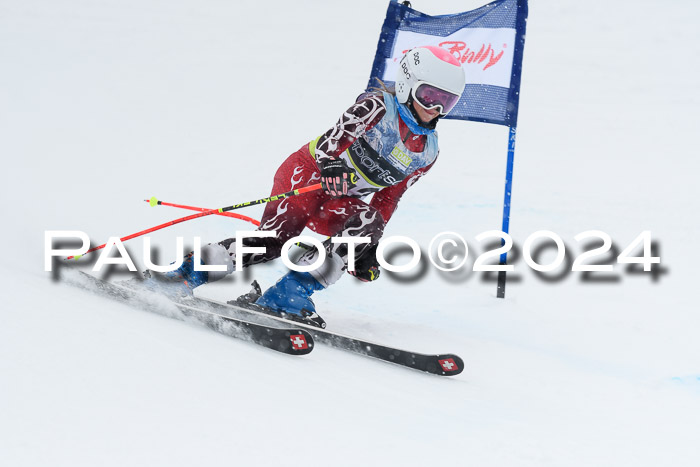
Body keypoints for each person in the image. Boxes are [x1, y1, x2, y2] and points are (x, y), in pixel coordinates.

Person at [143, 46, 466, 322]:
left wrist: (367, 245)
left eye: (446, 102)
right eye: (429, 96)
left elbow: (387, 200)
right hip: (307, 175)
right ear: (408, 85)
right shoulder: (377, 107)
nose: (434, 109)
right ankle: (184, 275)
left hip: (339, 198)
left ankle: (289, 294)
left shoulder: (428, 152)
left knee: (369, 221)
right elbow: (331, 142)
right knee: (274, 242)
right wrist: (332, 164)